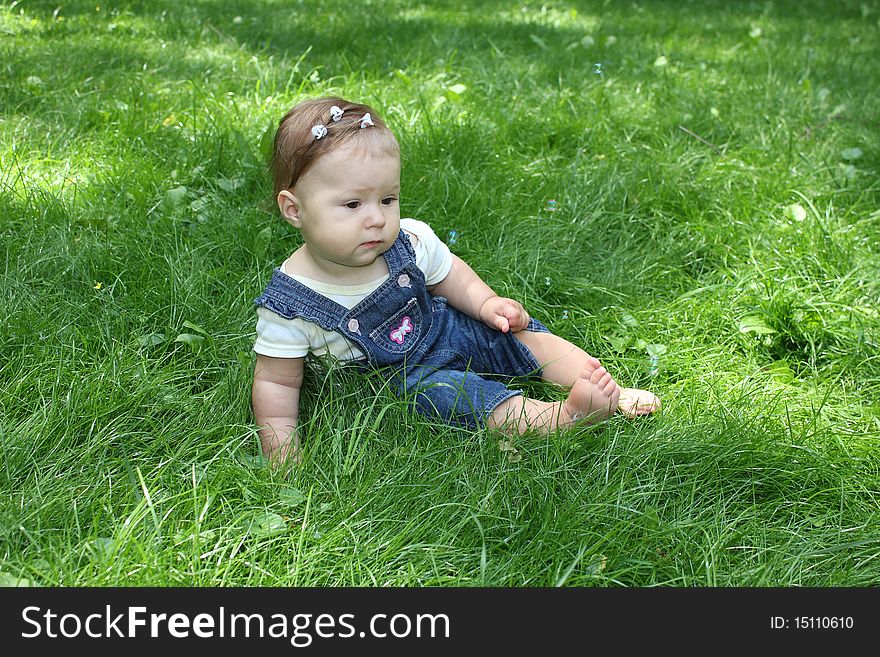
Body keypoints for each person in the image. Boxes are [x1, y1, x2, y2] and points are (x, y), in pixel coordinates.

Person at [251, 96, 660, 466]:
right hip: (399, 376)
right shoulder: (292, 302)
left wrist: (486, 304)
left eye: (387, 199)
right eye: (353, 204)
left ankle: (611, 390)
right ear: (294, 210)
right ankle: (564, 418)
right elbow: (276, 382)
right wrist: (282, 454)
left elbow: (451, 276)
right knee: (461, 397)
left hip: (444, 328)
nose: (376, 218)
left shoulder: (407, 240)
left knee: (516, 336)